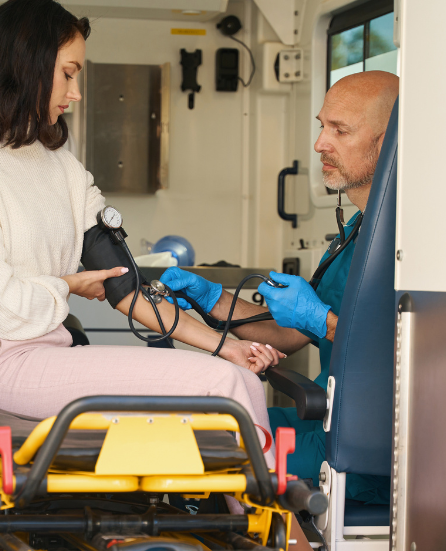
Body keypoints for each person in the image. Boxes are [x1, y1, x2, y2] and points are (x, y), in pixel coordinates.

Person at [0, 0, 282, 453]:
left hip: (43, 354)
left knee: (238, 378)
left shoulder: (62, 168)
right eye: (68, 73)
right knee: (221, 387)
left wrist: (224, 345)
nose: (75, 92)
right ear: (25, 65)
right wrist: (69, 284)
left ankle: (248, 518)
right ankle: (270, 522)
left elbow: (126, 288)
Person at [162, 71, 400, 510]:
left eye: (340, 131)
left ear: (386, 144)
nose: (319, 144)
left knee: (197, 456)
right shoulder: (359, 229)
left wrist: (319, 319)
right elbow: (292, 334)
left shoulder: (407, 242)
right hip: (328, 423)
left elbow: (404, 359)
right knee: (192, 425)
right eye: (321, 125)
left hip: (368, 451)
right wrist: (213, 300)